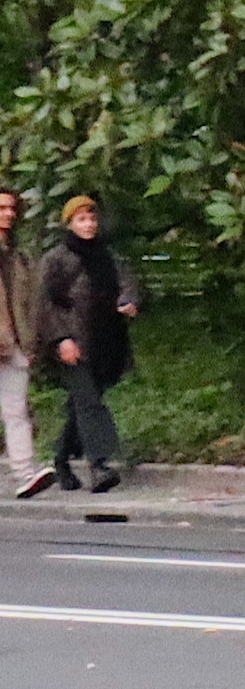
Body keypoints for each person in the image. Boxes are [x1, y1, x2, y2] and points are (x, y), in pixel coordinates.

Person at [38, 195, 139, 494]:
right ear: (69, 223)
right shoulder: (56, 258)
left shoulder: (107, 255)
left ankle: (60, 459)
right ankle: (99, 466)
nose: (89, 224)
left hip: (106, 341)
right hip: (72, 343)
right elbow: (44, 304)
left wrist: (130, 301)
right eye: (82, 219)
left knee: (82, 405)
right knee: (90, 404)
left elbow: (127, 283)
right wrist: (61, 339)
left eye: (92, 218)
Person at [0, 187, 52, 498]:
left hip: (14, 344)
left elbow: (30, 301)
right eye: (2, 208)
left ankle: (25, 474)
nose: (8, 214)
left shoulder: (18, 256)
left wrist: (30, 342)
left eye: (11, 208)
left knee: (16, 410)